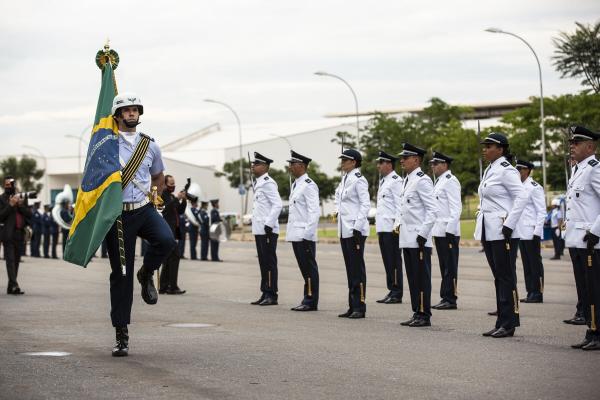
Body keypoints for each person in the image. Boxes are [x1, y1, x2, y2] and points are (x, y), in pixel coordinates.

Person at [105, 92, 177, 357]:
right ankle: (121, 333)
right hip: (118, 216)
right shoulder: (107, 144)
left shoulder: (150, 145)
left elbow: (158, 176)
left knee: (167, 241)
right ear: (118, 115)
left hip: (144, 209)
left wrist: (156, 195)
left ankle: (147, 272)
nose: (132, 113)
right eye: (127, 110)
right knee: (121, 276)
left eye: (135, 109)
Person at [475, 132, 529, 338]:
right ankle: (501, 320)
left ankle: (510, 322)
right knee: (498, 277)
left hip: (503, 231)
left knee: (506, 277)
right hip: (490, 231)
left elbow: (521, 196)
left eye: (489, 146)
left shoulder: (507, 170)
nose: (485, 149)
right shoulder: (491, 169)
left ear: (501, 149)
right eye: (485, 145)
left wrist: (509, 224)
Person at [564, 125, 600, 351]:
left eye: (576, 143)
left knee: (595, 289)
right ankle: (591, 329)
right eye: (571, 143)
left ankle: (597, 332)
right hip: (577, 240)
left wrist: (595, 232)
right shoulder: (578, 169)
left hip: (592, 241)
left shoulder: (594, 169)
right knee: (584, 289)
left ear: (590, 146)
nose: (572, 146)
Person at [398, 143, 439, 327]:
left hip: (418, 238)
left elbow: (432, 210)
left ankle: (424, 314)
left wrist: (423, 233)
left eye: (405, 158)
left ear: (416, 159)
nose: (402, 161)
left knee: (421, 278)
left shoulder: (422, 180)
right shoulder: (407, 180)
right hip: (407, 238)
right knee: (413, 278)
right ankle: (417, 312)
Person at [335, 149, 370, 319]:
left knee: (357, 270)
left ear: (354, 162)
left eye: (345, 160)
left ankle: (360, 306)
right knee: (350, 270)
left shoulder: (359, 180)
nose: (342, 162)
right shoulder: (344, 179)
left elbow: (365, 205)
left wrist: (357, 226)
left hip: (355, 231)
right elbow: (338, 200)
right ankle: (352, 304)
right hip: (344, 230)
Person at [286, 150, 320, 312]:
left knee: (309, 268)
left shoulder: (308, 185)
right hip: (296, 234)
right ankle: (307, 297)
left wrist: (308, 234)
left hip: (304, 234)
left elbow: (314, 211)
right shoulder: (296, 184)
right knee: (304, 269)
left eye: (292, 164)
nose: (290, 167)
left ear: (301, 166)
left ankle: (311, 300)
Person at [430, 151, 462, 310]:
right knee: (444, 266)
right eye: (432, 164)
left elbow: (456, 208)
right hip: (439, 231)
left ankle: (451, 298)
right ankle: (445, 296)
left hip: (448, 231)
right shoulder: (439, 181)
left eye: (436, 164)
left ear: (445, 165)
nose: (433, 166)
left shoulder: (450, 181)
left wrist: (450, 229)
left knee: (450, 266)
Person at [250, 152, 283, 306]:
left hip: (267, 229)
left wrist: (269, 224)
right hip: (259, 230)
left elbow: (278, 204)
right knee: (263, 262)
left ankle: (271, 294)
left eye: (256, 164)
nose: (253, 166)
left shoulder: (268, 182)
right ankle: (265, 292)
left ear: (264, 167)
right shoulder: (259, 182)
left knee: (269, 262)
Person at [514, 159, 546, 304]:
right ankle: (530, 291)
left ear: (527, 170)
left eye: (520, 169)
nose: (518, 172)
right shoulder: (518, 187)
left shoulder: (534, 187)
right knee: (526, 264)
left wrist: (537, 232)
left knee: (535, 264)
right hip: (521, 232)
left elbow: (541, 211)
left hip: (532, 231)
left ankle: (538, 293)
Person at [374, 150, 404, 304]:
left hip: (392, 228)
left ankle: (397, 292)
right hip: (383, 228)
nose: (378, 166)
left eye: (381, 163)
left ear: (389, 164)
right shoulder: (384, 181)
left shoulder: (396, 181)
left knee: (394, 260)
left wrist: (397, 225)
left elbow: (400, 206)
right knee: (387, 260)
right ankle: (391, 289)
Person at [0, 176, 32, 295]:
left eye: (9, 185)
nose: (7, 187)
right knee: (10, 260)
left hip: (20, 234)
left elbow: (29, 214)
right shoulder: (2, 199)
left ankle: (11, 286)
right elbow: (1, 216)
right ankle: (14, 285)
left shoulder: (21, 198)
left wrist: (20, 205)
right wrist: (10, 205)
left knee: (17, 261)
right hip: (8, 234)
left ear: (13, 185)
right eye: (6, 185)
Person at [159, 174, 187, 295]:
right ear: (165, 184)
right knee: (175, 256)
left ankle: (164, 286)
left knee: (168, 259)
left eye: (174, 183)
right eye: (171, 183)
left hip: (173, 230)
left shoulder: (170, 196)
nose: (173, 185)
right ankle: (172, 286)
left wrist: (184, 200)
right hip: (166, 230)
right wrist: (176, 198)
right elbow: (165, 209)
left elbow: (179, 210)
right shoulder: (163, 195)